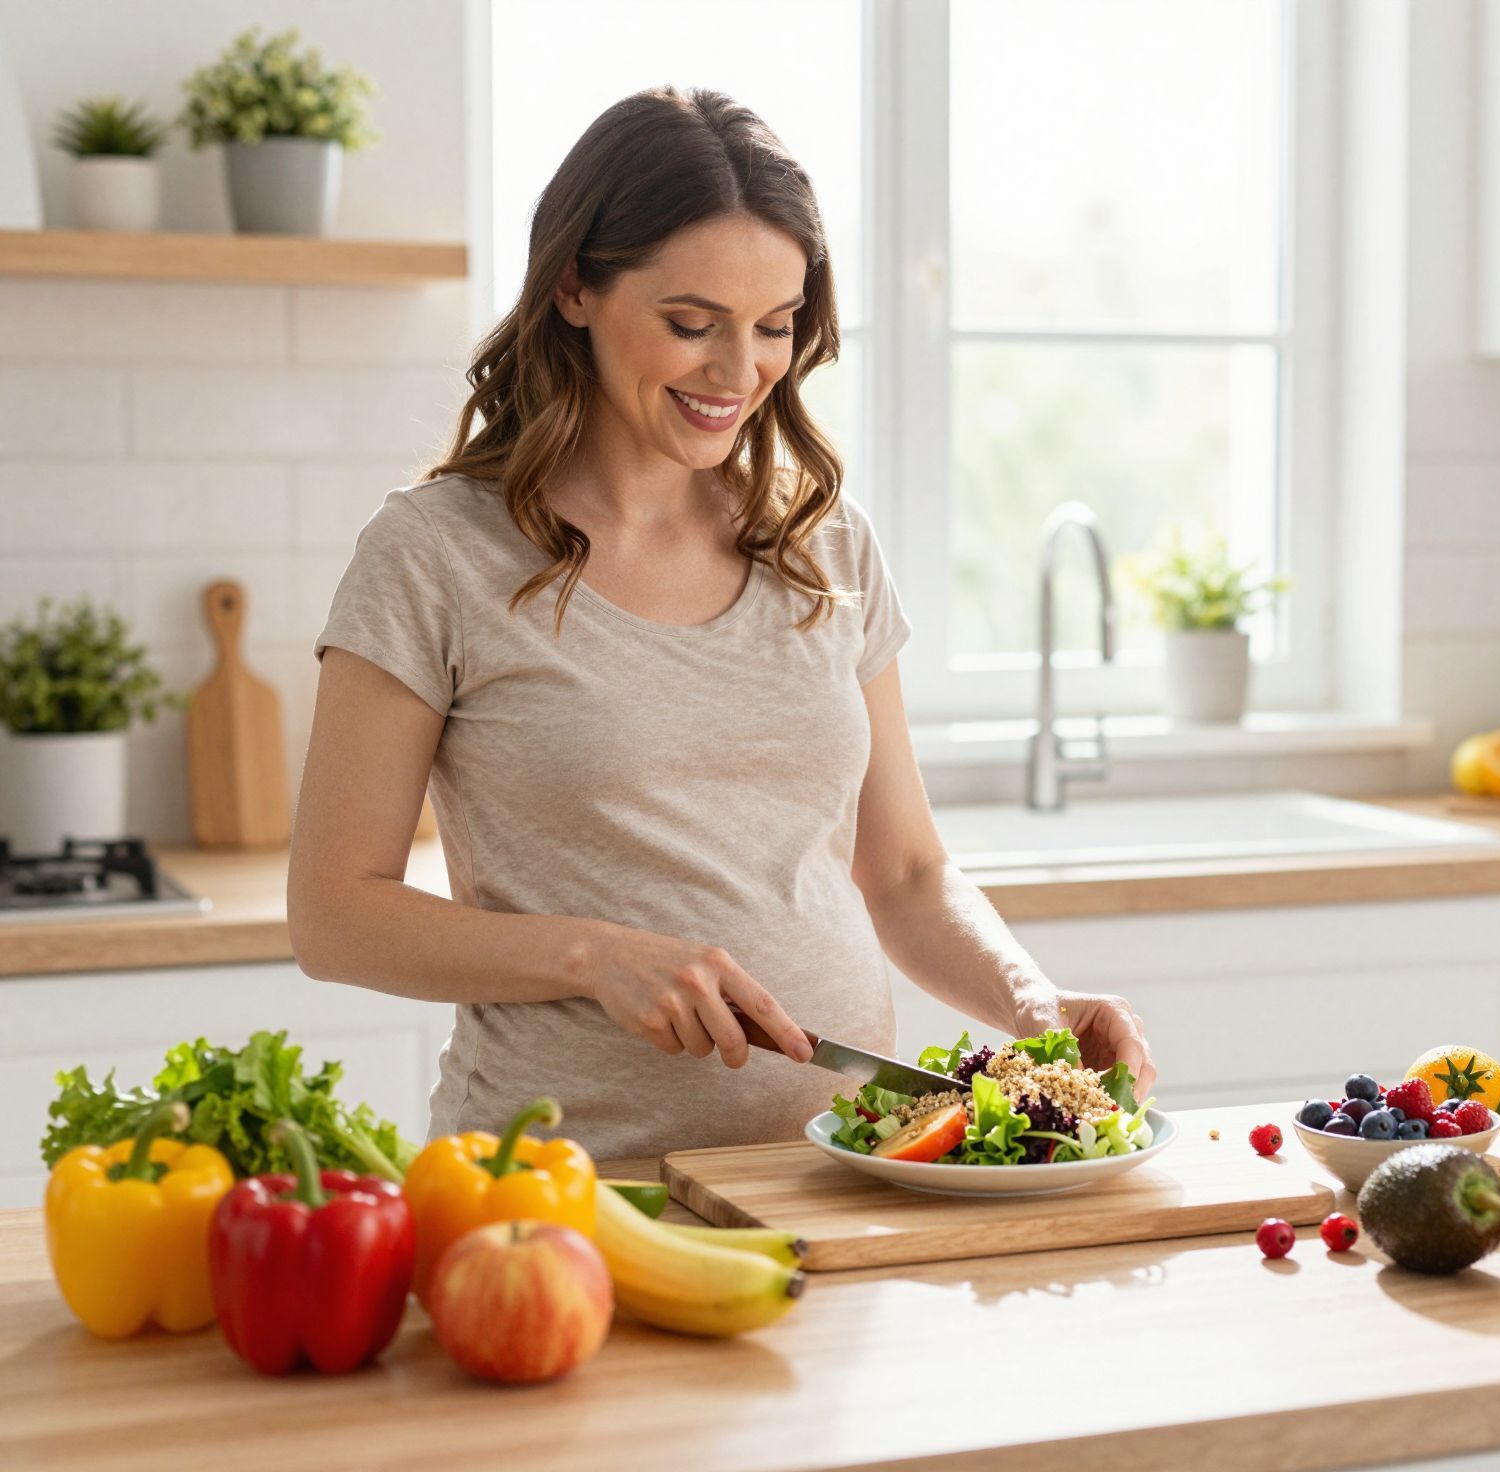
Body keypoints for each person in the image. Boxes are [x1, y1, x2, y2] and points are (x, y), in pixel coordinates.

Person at [287, 87, 1155, 1161]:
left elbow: (904, 875)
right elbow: (334, 915)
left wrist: (1033, 1002)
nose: (738, 372)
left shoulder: (824, 544)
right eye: (692, 324)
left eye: (774, 326)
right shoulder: (435, 552)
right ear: (574, 288)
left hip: (840, 1175)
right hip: (568, 1190)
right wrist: (595, 957)